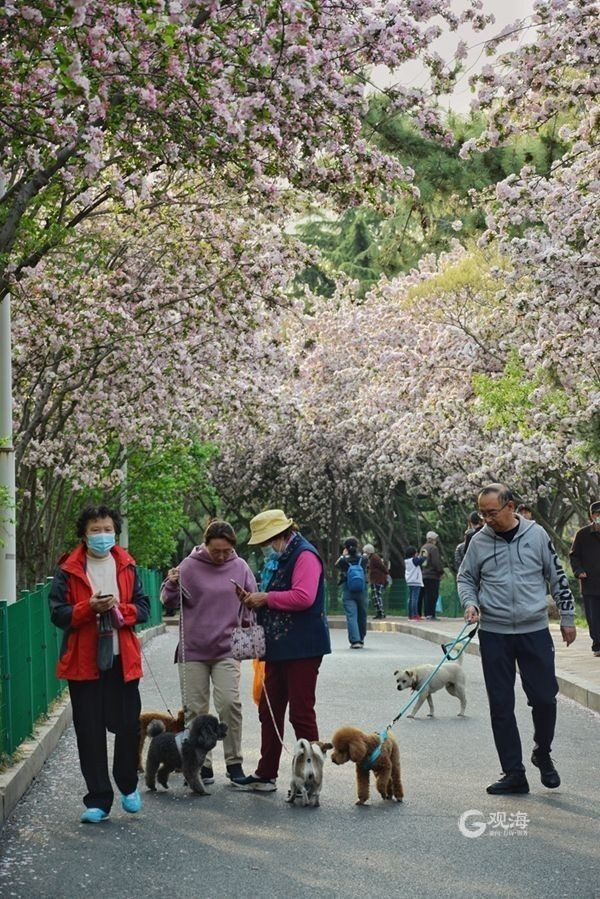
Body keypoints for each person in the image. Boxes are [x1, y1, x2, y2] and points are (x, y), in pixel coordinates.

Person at [458, 483, 576, 795]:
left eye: (492, 512)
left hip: (533, 629)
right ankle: (514, 772)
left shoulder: (536, 535)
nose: (486, 519)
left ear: (510, 506)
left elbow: (556, 575)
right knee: (501, 704)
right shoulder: (479, 541)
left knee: (544, 698)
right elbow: (466, 577)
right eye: (482, 513)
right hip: (494, 633)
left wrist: (567, 616)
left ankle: (542, 752)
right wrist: (470, 603)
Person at [48, 503, 150, 823]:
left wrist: (122, 611)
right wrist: (88, 608)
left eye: (107, 529)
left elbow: (144, 608)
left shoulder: (128, 566)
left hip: (123, 659)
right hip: (84, 663)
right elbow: (58, 613)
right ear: (84, 534)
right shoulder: (69, 570)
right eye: (95, 530)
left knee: (128, 725)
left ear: (115, 532)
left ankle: (128, 784)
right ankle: (99, 799)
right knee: (89, 732)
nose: (102, 535)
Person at [230, 509, 331, 792]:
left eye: (266, 542)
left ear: (280, 536)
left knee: (301, 712)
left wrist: (266, 598)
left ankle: (311, 777)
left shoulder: (305, 555)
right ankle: (266, 773)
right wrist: (254, 599)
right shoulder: (281, 558)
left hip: (303, 646)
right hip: (278, 646)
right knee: (269, 709)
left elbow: (304, 596)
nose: (264, 549)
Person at [160, 519, 257, 784]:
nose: (222, 556)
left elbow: (254, 602)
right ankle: (201, 764)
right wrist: (171, 582)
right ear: (205, 545)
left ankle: (234, 763)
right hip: (194, 650)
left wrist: (247, 600)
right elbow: (167, 601)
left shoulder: (240, 566)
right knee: (195, 710)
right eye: (216, 550)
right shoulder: (189, 565)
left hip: (227, 648)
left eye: (226, 550)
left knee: (229, 704)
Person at [569, 500, 600, 657]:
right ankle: (597, 644)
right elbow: (574, 556)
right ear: (592, 517)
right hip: (590, 584)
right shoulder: (582, 534)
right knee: (594, 618)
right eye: (597, 514)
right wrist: (579, 571)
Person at [336, 537, 369, 647]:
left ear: (345, 547)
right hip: (362, 589)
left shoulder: (343, 560)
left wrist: (343, 555)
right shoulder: (363, 558)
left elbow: (337, 565)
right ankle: (362, 637)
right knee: (362, 614)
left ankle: (355, 641)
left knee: (351, 615)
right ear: (357, 546)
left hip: (348, 589)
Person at [419, 531, 444, 620]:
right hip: (432, 575)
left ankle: (426, 614)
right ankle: (431, 614)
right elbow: (436, 562)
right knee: (432, 595)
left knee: (425, 595)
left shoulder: (423, 548)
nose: (436, 541)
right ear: (432, 539)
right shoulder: (433, 548)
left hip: (423, 574)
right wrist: (441, 572)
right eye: (435, 539)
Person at [363, 542, 388, 620]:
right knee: (376, 596)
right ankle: (380, 612)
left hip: (376, 579)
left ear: (368, 552)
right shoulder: (372, 558)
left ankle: (380, 612)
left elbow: (382, 567)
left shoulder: (374, 558)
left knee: (376, 596)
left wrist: (387, 573)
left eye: (365, 552)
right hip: (375, 579)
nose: (364, 553)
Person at [404, 546, 425, 620]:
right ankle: (415, 615)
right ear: (413, 553)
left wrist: (420, 556)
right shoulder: (414, 560)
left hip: (410, 581)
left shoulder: (407, 560)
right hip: (416, 581)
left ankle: (410, 615)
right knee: (415, 599)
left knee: (410, 599)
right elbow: (421, 560)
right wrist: (424, 556)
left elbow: (417, 560)